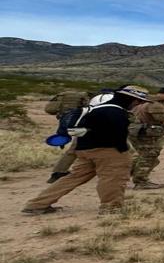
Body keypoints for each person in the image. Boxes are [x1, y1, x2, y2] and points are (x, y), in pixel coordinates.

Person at [22, 86, 151, 216]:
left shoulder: (94, 109)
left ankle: (37, 204)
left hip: (84, 149)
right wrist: (123, 152)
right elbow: (118, 135)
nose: (139, 105)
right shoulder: (117, 113)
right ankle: (111, 208)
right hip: (108, 151)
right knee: (113, 178)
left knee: (72, 178)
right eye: (139, 101)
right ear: (133, 100)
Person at [128, 86, 164, 190]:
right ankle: (141, 181)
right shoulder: (155, 103)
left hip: (140, 132)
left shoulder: (144, 101)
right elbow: (159, 117)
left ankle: (124, 175)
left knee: (144, 156)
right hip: (148, 134)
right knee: (149, 157)